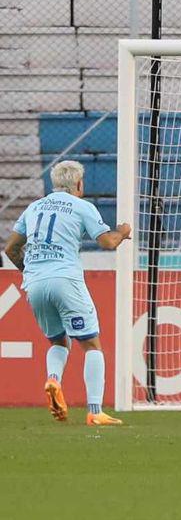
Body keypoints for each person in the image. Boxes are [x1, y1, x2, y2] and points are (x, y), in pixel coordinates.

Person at [3, 160, 131, 426]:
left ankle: (53, 379)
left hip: (35, 284)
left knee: (59, 342)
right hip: (65, 279)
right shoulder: (82, 206)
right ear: (79, 184)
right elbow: (107, 242)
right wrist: (122, 232)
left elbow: (11, 249)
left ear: (54, 183)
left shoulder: (34, 207)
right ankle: (95, 411)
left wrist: (30, 272)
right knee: (91, 344)